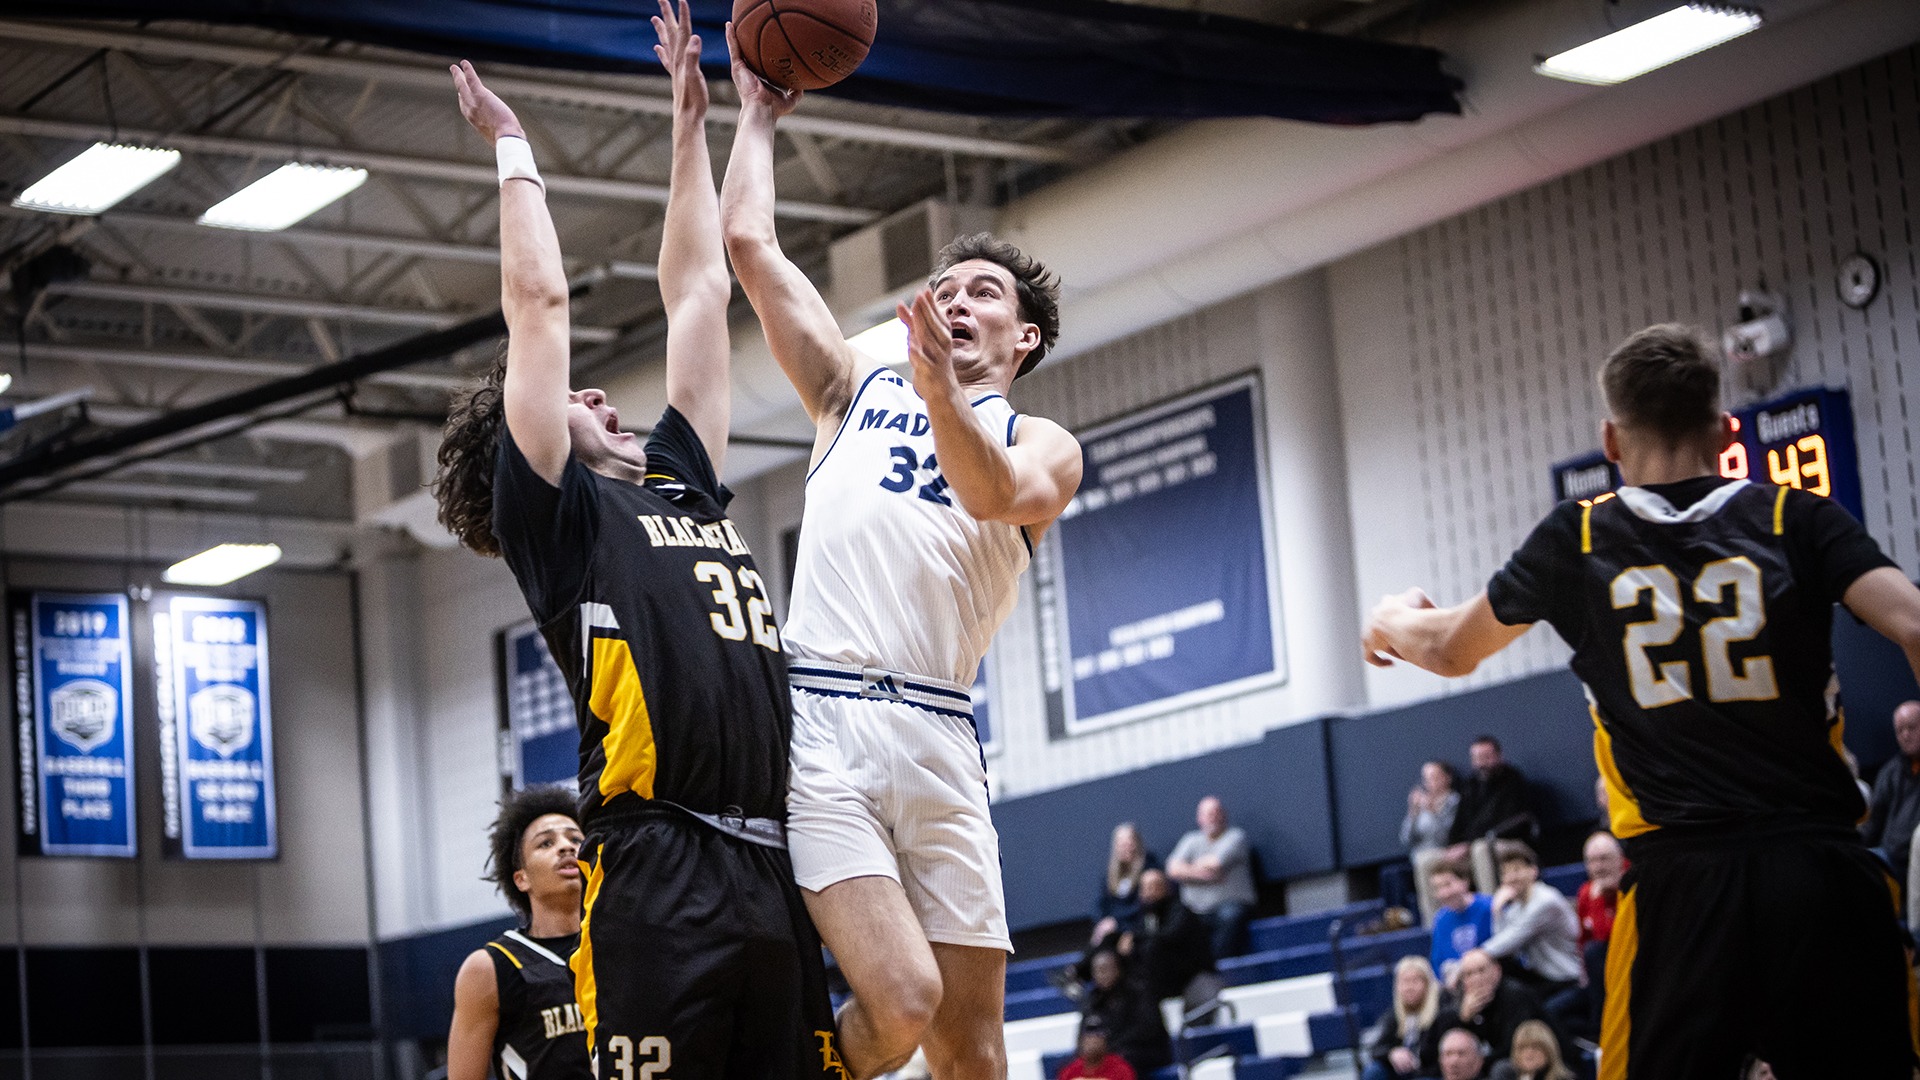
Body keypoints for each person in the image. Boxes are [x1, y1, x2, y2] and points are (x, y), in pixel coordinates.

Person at [433, 12, 840, 1078]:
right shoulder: (558, 523)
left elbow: (699, 292)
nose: (601, 392)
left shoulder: (684, 481)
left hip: (769, 855)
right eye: (574, 399)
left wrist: (707, 121)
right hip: (656, 869)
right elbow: (539, 302)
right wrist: (514, 151)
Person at [1363, 323, 1920, 1078]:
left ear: (1610, 441)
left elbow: (1450, 648)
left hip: (1680, 891)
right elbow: (1914, 624)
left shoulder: (1580, 536)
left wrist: (1393, 617)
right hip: (1819, 872)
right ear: (1726, 434)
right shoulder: (1794, 517)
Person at [721, 27, 1084, 1080]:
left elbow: (986, 491)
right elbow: (752, 250)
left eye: (987, 295)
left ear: (1021, 343)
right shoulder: (851, 389)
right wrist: (755, 116)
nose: (962, 300)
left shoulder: (1041, 444)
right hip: (821, 718)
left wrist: (938, 389)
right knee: (905, 997)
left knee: (972, 1046)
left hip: (938, 726)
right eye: (951, 287)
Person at [448, 786, 591, 1080]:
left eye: (576, 839)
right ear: (521, 878)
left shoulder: (618, 948)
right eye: (546, 843)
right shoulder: (489, 968)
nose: (566, 847)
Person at [1419, 950, 1552, 1070]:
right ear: (1463, 980)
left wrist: (1477, 1063)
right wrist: (1462, 1019)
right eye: (1469, 974)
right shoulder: (1455, 1004)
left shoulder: (1515, 995)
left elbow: (1514, 1049)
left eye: (1481, 970)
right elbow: (1430, 1054)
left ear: (1497, 971)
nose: (1476, 978)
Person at [1482, 842, 1581, 999]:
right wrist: (1498, 912)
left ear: (1533, 871)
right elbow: (1502, 948)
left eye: (1517, 870)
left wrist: (1472, 958)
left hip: (1569, 978)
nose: (1511, 878)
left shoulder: (1545, 901)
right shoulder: (1516, 906)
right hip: (1543, 978)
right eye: (1505, 873)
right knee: (1502, 969)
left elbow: (1509, 942)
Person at [1166, 796, 1258, 958]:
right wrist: (1206, 875)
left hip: (1230, 905)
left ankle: (1220, 967)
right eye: (1208, 814)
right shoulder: (1190, 840)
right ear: (1199, 818)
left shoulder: (1235, 837)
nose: (1213, 817)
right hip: (1195, 910)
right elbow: (1172, 869)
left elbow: (1215, 863)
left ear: (1224, 815)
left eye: (1217, 812)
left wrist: (1187, 869)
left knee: (1230, 916)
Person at [1444, 737, 1533, 893]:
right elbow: (1459, 822)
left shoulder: (1513, 780)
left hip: (1508, 843)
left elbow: (1514, 821)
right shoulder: (1470, 785)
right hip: (1472, 847)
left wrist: (1471, 843)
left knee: (1480, 848)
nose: (1481, 764)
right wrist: (1453, 846)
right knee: (1427, 861)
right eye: (1477, 758)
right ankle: (1437, 916)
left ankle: (1490, 906)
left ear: (1499, 756)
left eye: (1486, 757)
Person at [1118, 868, 1215, 1003]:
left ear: (1166, 888)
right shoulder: (1146, 916)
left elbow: (1170, 935)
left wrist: (1135, 936)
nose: (1149, 893)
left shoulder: (1180, 911)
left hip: (1193, 976)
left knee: (1152, 947)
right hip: (1161, 983)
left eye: (1154, 887)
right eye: (1145, 888)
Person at [1863, 701, 1920, 900]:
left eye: (1912, 727)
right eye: (1900, 730)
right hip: (1888, 860)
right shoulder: (1890, 772)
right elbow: (1874, 821)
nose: (1905, 735)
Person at [1082, 949, 1171, 1073]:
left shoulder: (1139, 992)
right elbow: (1084, 1034)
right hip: (1111, 1052)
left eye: (1105, 969)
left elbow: (1147, 1030)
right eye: (1097, 971)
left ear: (1118, 969)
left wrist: (1110, 1045)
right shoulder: (1093, 1001)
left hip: (1144, 1051)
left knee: (1121, 1061)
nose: (1101, 975)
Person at [1361, 956, 1442, 1080]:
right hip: (1403, 1073)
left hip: (1431, 1073)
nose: (1409, 987)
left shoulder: (1442, 1011)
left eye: (1415, 981)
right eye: (1405, 981)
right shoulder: (1394, 1014)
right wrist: (1391, 1054)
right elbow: (1376, 1049)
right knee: (1374, 1071)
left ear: (1428, 983)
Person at [1401, 761, 1461, 925]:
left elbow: (1446, 837)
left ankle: (1433, 923)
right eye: (1426, 779)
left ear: (1447, 778)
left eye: (1434, 777)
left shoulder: (1453, 801)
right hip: (1420, 858)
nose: (1429, 783)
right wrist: (1413, 813)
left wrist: (1432, 812)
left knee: (1424, 861)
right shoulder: (1420, 805)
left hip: (1445, 853)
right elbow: (1406, 839)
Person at [1092, 823, 1159, 949]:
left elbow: (1147, 906)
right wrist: (1102, 922)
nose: (1127, 848)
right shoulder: (1110, 874)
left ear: (1138, 843)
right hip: (1114, 927)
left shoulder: (1149, 868)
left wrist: (1118, 924)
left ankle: (1075, 969)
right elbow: (1101, 903)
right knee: (1101, 943)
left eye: (1130, 843)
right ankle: (1075, 968)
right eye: (1122, 844)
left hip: (1138, 926)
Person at [1427, 858, 1494, 984]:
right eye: (1437, 888)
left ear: (1464, 881)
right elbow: (1438, 964)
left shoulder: (1489, 907)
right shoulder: (1440, 920)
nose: (1444, 893)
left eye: (1448, 884)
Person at [1058, 1016, 1137, 1080]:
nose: (1092, 1040)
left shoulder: (1121, 1069)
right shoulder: (1070, 1071)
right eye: (1089, 1035)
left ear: (1105, 1040)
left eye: (1097, 1035)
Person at [1490, 1020, 1574, 1080]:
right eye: (1522, 1048)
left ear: (1549, 1051)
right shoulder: (1506, 1074)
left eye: (1535, 1048)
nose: (1529, 1054)